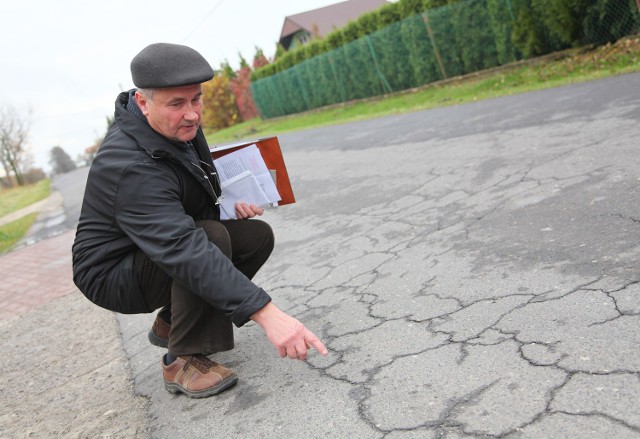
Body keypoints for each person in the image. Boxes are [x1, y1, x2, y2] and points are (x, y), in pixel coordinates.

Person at [72, 42, 327, 399]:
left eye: (197, 99)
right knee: (207, 240)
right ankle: (181, 361)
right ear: (143, 103)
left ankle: (172, 322)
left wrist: (230, 205)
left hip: (150, 247)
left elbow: (186, 195)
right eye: (177, 103)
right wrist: (268, 314)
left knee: (254, 236)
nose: (192, 114)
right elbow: (182, 248)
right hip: (113, 271)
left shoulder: (174, 126)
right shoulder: (131, 166)